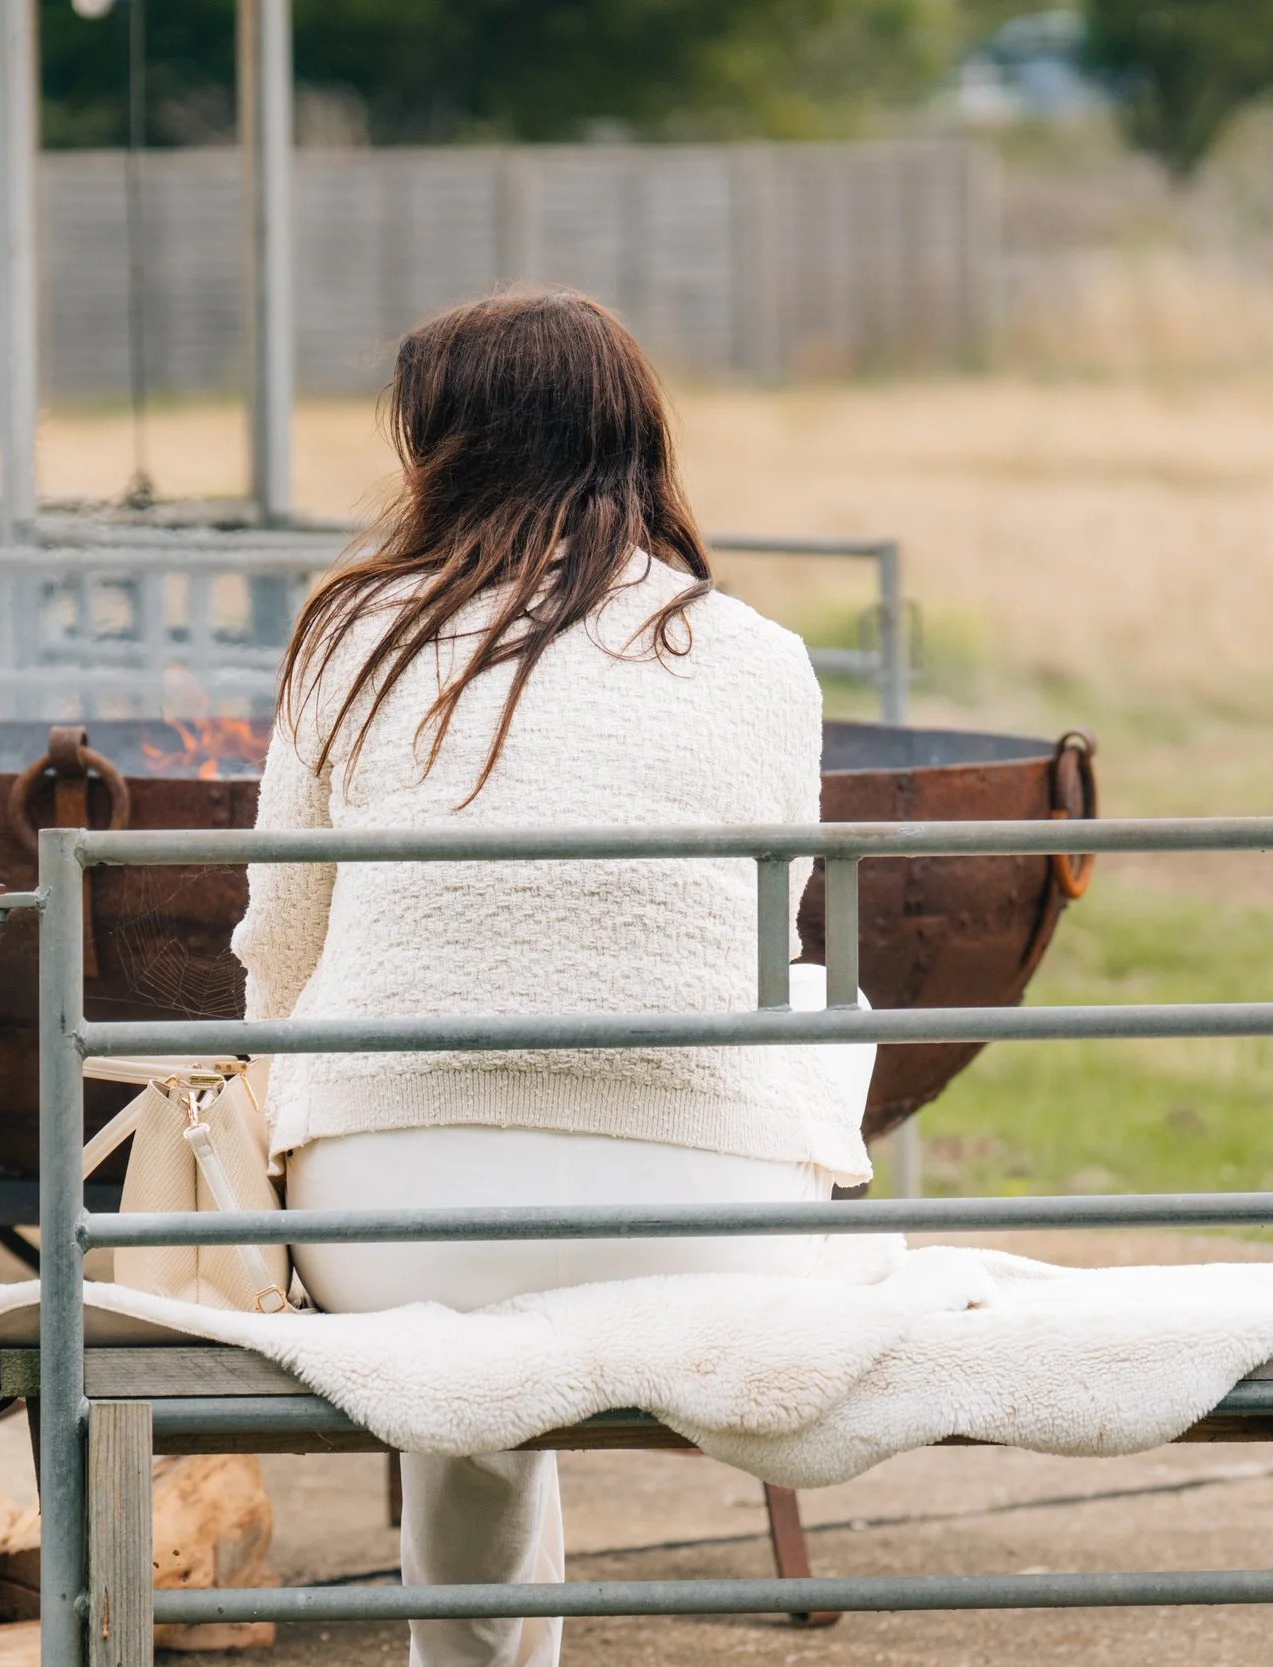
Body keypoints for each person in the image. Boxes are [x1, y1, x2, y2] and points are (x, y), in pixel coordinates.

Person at [232, 289, 876, 1667]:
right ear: (637, 438)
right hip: (709, 1214)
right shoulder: (759, 656)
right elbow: (770, 944)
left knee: (472, 1371)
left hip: (396, 1223)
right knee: (826, 992)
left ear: (440, 449)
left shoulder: (354, 632)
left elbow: (280, 942)